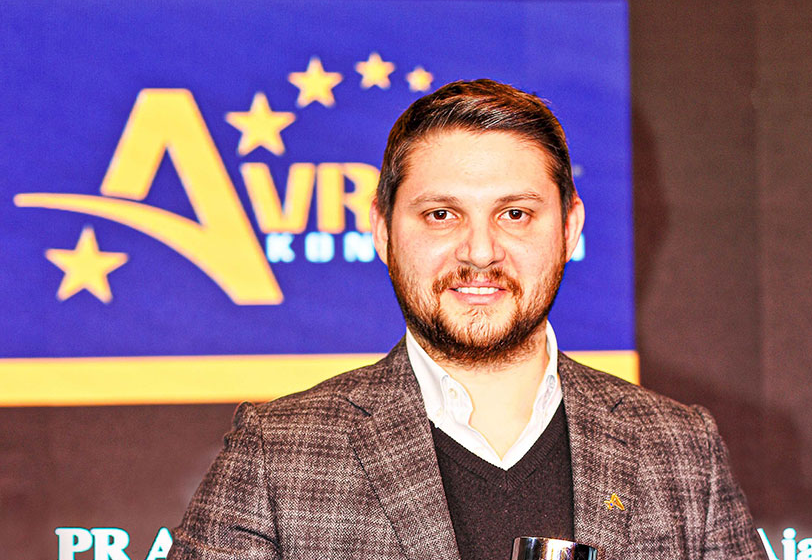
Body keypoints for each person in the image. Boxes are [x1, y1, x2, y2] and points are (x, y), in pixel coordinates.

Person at [167, 79, 766, 560]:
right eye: (441, 215)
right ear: (382, 231)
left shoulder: (680, 449)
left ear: (570, 229)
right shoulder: (279, 455)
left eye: (514, 214)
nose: (480, 251)